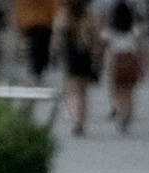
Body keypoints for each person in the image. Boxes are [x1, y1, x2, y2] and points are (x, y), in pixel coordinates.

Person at [52, 0, 101, 136]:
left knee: (73, 90)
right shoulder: (90, 16)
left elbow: (56, 38)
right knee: (83, 92)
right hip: (86, 57)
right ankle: (82, 120)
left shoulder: (63, 17)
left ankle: (76, 118)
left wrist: (54, 54)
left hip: (70, 56)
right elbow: (97, 39)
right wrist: (97, 57)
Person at [102, 0, 143, 133]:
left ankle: (119, 113)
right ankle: (128, 117)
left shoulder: (109, 31)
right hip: (131, 62)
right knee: (129, 93)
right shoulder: (134, 31)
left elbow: (105, 48)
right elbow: (139, 50)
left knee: (117, 92)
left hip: (116, 63)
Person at [15, 0, 60, 83]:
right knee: (38, 49)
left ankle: (37, 71)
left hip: (39, 22)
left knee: (39, 49)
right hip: (39, 23)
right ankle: (37, 71)